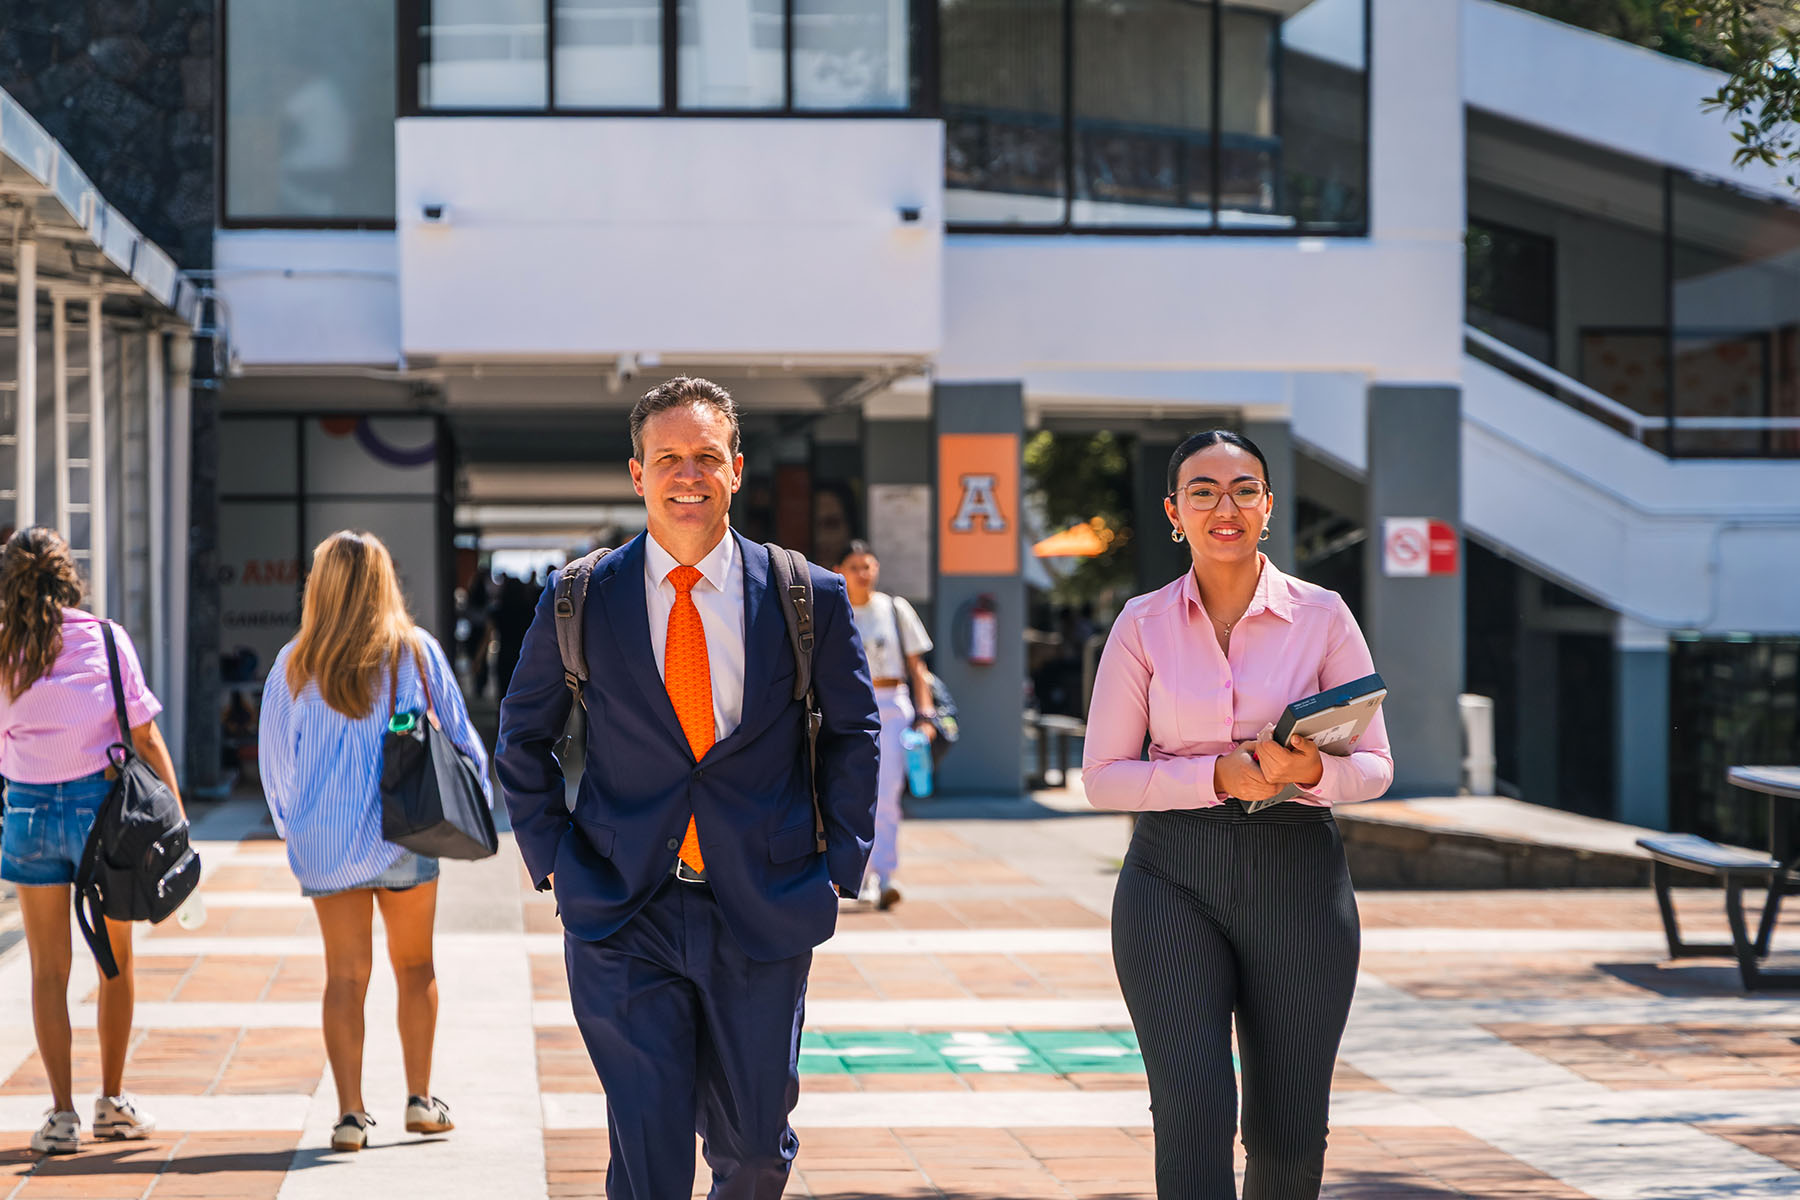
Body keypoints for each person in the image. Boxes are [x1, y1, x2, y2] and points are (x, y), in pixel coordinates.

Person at [498, 376, 879, 1199]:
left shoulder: (806, 594)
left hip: (763, 906)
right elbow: (522, 738)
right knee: (651, 1157)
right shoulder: (579, 597)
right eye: (667, 458)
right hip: (621, 906)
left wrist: (841, 863)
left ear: (736, 469)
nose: (688, 475)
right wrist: (555, 858)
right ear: (637, 475)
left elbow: (854, 732)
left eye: (706, 457)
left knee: (752, 1154)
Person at [1082, 431, 1393, 1200]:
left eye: (1244, 489)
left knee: (1288, 1130)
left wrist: (1313, 768)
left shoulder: (1323, 617)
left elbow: (1378, 767)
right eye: (1203, 491)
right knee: (1191, 1111)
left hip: (1300, 877)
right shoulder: (1142, 623)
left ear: (1268, 506)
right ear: (1173, 513)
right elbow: (1104, 778)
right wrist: (1213, 774)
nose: (1227, 507)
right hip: (1169, 879)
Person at [258, 531, 490, 1152]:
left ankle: (351, 1116)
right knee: (415, 966)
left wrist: (295, 827)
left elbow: (276, 764)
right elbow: (464, 743)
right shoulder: (416, 654)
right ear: (385, 582)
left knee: (344, 976)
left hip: (326, 843)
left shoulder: (292, 663)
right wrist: (483, 807)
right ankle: (420, 1099)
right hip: (404, 834)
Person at [0, 526, 179, 1154]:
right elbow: (146, 738)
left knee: (49, 969)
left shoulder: (2, 649)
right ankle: (112, 1101)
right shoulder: (105, 638)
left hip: (26, 812)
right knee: (115, 961)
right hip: (103, 817)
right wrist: (175, 814)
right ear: (67, 575)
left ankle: (61, 1114)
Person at [833, 540, 935, 910]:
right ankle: (855, 875)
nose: (864, 573)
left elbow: (918, 668)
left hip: (892, 704)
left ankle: (884, 874)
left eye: (869, 565)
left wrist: (926, 716)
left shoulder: (894, 608)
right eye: (855, 566)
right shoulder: (834, 608)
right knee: (850, 791)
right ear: (839, 571)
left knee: (888, 794)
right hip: (846, 706)